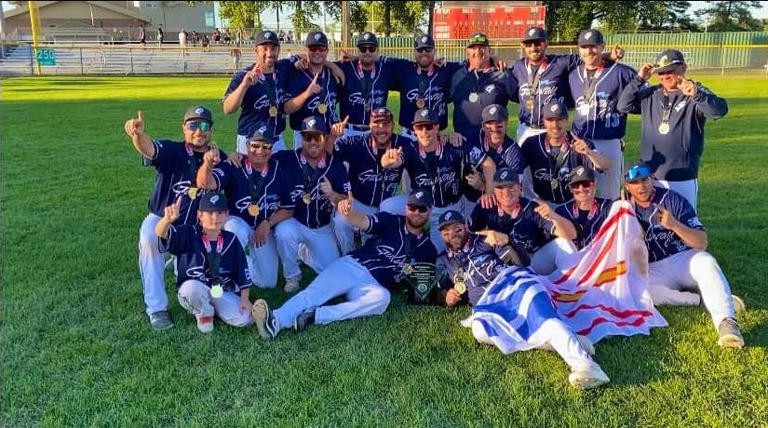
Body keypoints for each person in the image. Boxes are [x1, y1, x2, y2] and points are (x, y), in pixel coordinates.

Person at [436, 210, 608, 389]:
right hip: (487, 305)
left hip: (513, 284)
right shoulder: (443, 261)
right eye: (446, 232)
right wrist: (447, 296)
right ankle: (566, 341)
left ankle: (586, 366)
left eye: (457, 229)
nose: (452, 234)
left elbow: (523, 263)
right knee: (479, 331)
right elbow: (441, 289)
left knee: (541, 318)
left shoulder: (484, 241)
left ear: (465, 227)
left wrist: (507, 241)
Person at [251, 190, 438, 339]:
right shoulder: (391, 221)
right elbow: (364, 221)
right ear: (406, 208)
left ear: (429, 212)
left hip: (374, 285)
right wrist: (348, 214)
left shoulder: (428, 249)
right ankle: (275, 321)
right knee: (315, 293)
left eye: (422, 209)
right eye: (413, 207)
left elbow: (420, 281)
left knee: (382, 299)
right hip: (354, 266)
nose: (417, 213)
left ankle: (316, 316)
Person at [623, 163, 745, 348]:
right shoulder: (623, 208)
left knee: (706, 263)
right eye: (634, 182)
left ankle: (726, 323)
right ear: (627, 186)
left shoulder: (672, 200)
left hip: (683, 259)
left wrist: (674, 225)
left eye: (645, 180)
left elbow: (701, 242)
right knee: (636, 291)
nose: (641, 186)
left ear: (652, 180)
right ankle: (698, 299)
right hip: (653, 268)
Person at [123, 106, 221, 329]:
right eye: (193, 125)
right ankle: (157, 308)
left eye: (204, 125)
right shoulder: (172, 150)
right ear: (184, 129)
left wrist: (232, 157)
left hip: (196, 227)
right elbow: (148, 149)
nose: (199, 131)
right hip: (162, 217)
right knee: (149, 238)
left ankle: (180, 265)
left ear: (212, 130)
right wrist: (137, 135)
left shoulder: (218, 157)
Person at [618, 50, 728, 209]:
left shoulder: (695, 91)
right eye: (661, 72)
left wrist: (697, 95)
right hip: (649, 175)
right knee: (653, 225)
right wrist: (639, 79)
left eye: (670, 71)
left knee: (683, 222)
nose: (665, 76)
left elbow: (718, 111)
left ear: (683, 68)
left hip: (682, 175)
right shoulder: (651, 93)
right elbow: (623, 105)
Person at [380, 108, 495, 253]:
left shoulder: (454, 145)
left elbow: (488, 163)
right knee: (386, 207)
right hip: (420, 206)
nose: (424, 131)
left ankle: (420, 239)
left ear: (437, 127)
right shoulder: (410, 149)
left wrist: (489, 192)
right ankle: (402, 234)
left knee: (432, 252)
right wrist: (388, 160)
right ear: (414, 130)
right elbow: (388, 162)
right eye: (419, 127)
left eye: (428, 126)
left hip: (447, 208)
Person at [196, 127, 294, 290]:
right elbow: (206, 183)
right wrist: (207, 163)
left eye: (266, 146)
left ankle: (243, 260)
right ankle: (224, 277)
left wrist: (267, 223)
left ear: (272, 148)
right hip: (239, 222)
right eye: (255, 145)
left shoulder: (278, 169)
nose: (260, 151)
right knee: (234, 229)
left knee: (267, 283)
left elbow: (288, 208)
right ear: (247, 145)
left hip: (263, 229)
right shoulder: (234, 164)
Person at [272, 116, 351, 293]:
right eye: (308, 137)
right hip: (295, 222)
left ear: (325, 138)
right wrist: (237, 156)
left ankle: (304, 252)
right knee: (285, 232)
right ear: (301, 138)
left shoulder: (335, 165)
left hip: (321, 226)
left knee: (332, 272)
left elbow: (346, 201)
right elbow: (259, 159)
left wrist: (332, 194)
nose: (313, 142)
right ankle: (292, 276)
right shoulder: (286, 159)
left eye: (318, 137)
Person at [155, 192, 252, 333]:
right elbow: (161, 233)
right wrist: (166, 221)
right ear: (200, 215)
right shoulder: (188, 233)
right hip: (196, 287)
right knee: (191, 290)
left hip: (221, 290)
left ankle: (213, 307)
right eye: (210, 213)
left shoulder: (231, 239)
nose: (215, 217)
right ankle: (204, 314)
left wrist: (245, 299)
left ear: (226, 214)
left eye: (220, 213)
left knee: (245, 319)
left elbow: (243, 271)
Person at [325, 107, 410, 254]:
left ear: (393, 126)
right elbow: (327, 155)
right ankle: (348, 254)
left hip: (387, 204)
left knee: (377, 249)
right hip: (359, 201)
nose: (381, 129)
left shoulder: (402, 144)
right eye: (376, 124)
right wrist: (332, 137)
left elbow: (424, 151)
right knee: (340, 221)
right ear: (369, 125)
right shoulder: (356, 142)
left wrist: (443, 135)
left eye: (386, 124)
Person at [568, 29, 636, 200]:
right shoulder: (573, 75)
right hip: (579, 142)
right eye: (585, 47)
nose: (589, 51)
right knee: (577, 194)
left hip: (609, 141)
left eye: (594, 46)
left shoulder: (622, 72)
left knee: (609, 195)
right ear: (579, 50)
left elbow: (643, 96)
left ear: (602, 47)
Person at [469, 168, 578, 275]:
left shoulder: (532, 208)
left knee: (564, 243)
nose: (506, 192)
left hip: (532, 262)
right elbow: (467, 238)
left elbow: (571, 234)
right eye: (500, 187)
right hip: (502, 266)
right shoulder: (486, 206)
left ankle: (574, 286)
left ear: (520, 186)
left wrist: (553, 215)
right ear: (494, 190)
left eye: (511, 187)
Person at [520, 101, 611, 204]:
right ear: (543, 122)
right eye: (550, 120)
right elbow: (515, 171)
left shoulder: (579, 143)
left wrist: (589, 152)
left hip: (572, 204)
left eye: (559, 119)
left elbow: (605, 165)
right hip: (541, 204)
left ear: (567, 120)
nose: (555, 125)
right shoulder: (531, 143)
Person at [223, 30, 297, 153]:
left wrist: (332, 67)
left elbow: (305, 56)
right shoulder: (243, 76)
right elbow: (227, 109)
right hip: (250, 140)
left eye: (273, 48)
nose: (269, 53)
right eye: (265, 49)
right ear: (256, 50)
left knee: (279, 171)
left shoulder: (283, 68)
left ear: (278, 50)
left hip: (276, 139)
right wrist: (244, 86)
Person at [390, 34, 464, 140]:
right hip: (409, 135)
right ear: (414, 52)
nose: (424, 53)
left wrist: (493, 59)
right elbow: (378, 60)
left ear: (434, 51)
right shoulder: (404, 69)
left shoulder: (445, 69)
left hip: (438, 135)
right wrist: (356, 59)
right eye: (420, 50)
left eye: (428, 49)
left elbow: (471, 63)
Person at [284, 30, 346, 149]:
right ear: (306, 49)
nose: (317, 52)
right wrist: (307, 94)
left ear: (327, 51)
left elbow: (366, 59)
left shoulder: (333, 73)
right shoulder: (296, 74)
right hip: (305, 136)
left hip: (331, 134)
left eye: (321, 49)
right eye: (313, 48)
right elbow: (287, 109)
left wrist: (332, 65)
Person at [462, 104, 525, 217]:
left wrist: (482, 186)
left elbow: (514, 192)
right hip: (468, 199)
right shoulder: (471, 138)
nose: (494, 129)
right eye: (489, 124)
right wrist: (451, 136)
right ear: (482, 125)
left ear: (507, 123)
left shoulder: (514, 152)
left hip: (501, 204)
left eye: (499, 125)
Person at [334, 32, 401, 137]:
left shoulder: (385, 70)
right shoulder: (345, 67)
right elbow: (319, 63)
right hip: (349, 130)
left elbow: (407, 66)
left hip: (375, 132)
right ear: (358, 50)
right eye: (363, 49)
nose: (367, 52)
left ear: (377, 50)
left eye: (371, 48)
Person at [449, 33, 516, 135]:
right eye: (473, 48)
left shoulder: (502, 73)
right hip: (464, 141)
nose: (478, 51)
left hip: (493, 140)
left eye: (482, 47)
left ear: (489, 50)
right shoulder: (457, 75)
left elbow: (520, 97)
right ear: (467, 52)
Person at [554, 166, 613, 250]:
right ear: (570, 188)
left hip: (601, 258)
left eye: (586, 184)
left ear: (594, 185)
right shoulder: (561, 212)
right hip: (572, 260)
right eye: (576, 185)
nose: (581, 189)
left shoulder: (608, 207)